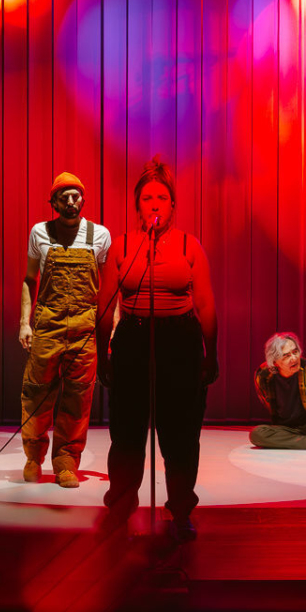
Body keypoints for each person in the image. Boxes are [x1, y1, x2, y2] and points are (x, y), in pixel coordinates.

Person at [98, 156, 217, 541]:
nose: (154, 204)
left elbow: (206, 305)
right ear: (138, 205)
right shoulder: (122, 246)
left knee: (180, 434)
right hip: (133, 339)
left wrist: (210, 354)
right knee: (128, 431)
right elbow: (103, 306)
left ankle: (180, 509)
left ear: (172, 205)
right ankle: (121, 505)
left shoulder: (189, 245)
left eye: (161, 198)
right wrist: (104, 355)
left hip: (179, 342)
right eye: (147, 197)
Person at [18, 172, 113, 488]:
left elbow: (107, 286)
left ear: (83, 199)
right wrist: (24, 322)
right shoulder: (39, 233)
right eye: (64, 197)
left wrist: (112, 326)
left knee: (78, 399)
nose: (70, 202)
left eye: (76, 196)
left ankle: (66, 463)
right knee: (36, 396)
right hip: (47, 328)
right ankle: (33, 459)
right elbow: (30, 280)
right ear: (53, 202)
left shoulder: (99, 236)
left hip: (84, 331)